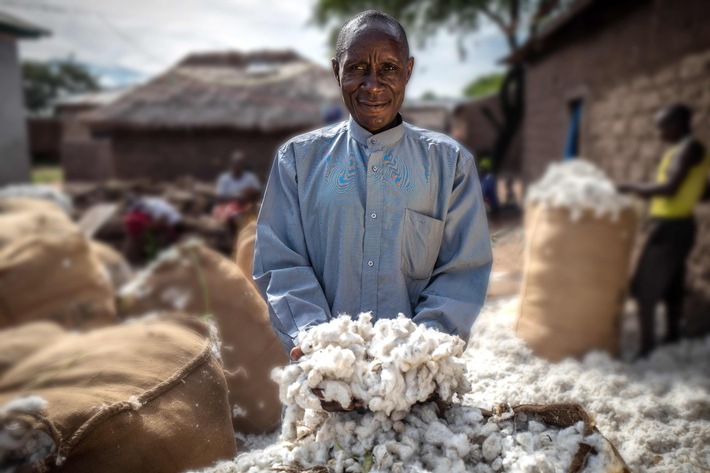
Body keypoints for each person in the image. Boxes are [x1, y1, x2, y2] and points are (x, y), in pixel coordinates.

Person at [254, 9, 492, 372]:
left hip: (417, 381)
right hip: (325, 378)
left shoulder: (450, 164)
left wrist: (417, 353)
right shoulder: (298, 162)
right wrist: (321, 344)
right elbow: (280, 263)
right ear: (337, 72)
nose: (373, 85)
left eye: (389, 69)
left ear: (408, 71)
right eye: (357, 68)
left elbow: (461, 272)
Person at [617, 104, 709, 357]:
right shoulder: (686, 151)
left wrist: (627, 186)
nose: (658, 133)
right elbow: (704, 190)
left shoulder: (689, 149)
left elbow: (669, 188)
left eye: (662, 126)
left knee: (644, 288)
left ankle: (647, 349)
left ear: (676, 124)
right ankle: (672, 338)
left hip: (671, 228)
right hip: (679, 226)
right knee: (672, 285)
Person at [123, 192, 183, 264]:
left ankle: (162, 255)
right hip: (157, 221)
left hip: (171, 222)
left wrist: (147, 228)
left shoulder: (153, 206)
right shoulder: (142, 206)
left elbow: (162, 221)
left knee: (159, 239)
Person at [213, 151, 262, 237]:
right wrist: (237, 198)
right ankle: (233, 238)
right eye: (236, 164)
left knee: (261, 210)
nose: (238, 166)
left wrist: (248, 195)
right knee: (232, 216)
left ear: (243, 166)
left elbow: (258, 193)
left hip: (248, 205)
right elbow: (220, 198)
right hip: (229, 206)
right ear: (231, 165)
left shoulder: (250, 177)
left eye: (240, 164)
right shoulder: (224, 178)